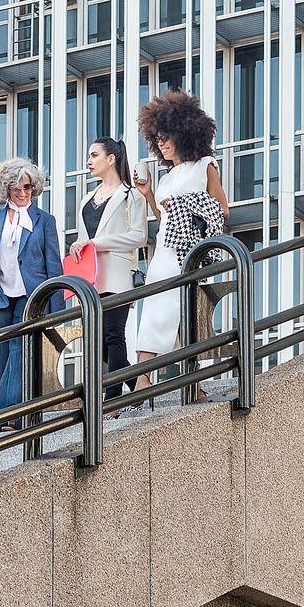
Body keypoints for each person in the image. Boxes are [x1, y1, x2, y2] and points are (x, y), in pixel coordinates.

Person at [131, 90, 230, 395]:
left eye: (167, 136)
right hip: (165, 249)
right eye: (157, 138)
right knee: (162, 309)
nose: (161, 143)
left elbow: (222, 208)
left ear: (185, 134)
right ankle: (171, 381)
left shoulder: (205, 165)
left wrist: (184, 203)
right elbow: (164, 221)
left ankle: (150, 379)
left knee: (176, 310)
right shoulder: (165, 177)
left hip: (189, 252)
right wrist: (149, 195)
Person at [0, 157, 64, 425]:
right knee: (2, 354)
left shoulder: (44, 221)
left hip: (32, 296)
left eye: (27, 187)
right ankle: (10, 417)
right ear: (6, 188)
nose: (22, 192)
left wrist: (58, 310)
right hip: (1, 296)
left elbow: (54, 266)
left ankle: (3, 411)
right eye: (16, 187)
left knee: (20, 348)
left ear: (34, 188)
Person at [74, 136, 148, 397]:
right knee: (100, 341)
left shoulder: (131, 196)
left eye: (94, 155)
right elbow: (86, 238)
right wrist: (79, 245)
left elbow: (139, 236)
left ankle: (112, 398)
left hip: (118, 274)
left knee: (114, 334)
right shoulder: (86, 199)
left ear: (111, 159)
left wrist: (98, 242)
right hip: (91, 277)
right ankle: (137, 384)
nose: (89, 161)